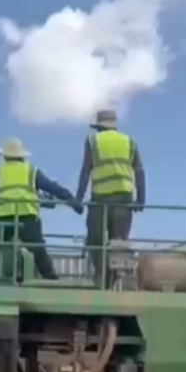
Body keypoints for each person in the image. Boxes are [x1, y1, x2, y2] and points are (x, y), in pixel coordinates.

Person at [0, 138, 82, 280]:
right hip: (27, 217)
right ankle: (50, 278)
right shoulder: (31, 171)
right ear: (22, 156)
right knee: (38, 249)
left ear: (4, 156)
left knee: (1, 250)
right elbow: (53, 188)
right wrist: (73, 202)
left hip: (3, 218)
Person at [75, 109, 147, 278]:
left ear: (99, 127)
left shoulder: (93, 141)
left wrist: (78, 199)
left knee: (95, 241)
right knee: (119, 243)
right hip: (124, 200)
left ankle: (102, 276)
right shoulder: (129, 142)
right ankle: (113, 279)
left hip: (100, 200)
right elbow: (139, 171)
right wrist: (141, 200)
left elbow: (86, 170)